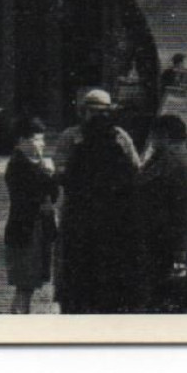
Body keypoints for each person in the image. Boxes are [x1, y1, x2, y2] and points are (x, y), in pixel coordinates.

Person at [56, 88, 143, 314]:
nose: (96, 115)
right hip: (98, 213)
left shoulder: (119, 136)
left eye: (102, 111)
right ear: (83, 111)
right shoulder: (72, 136)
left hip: (86, 213)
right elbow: (135, 170)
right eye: (92, 111)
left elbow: (62, 173)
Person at [137, 113, 187, 313]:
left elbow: (185, 210)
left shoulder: (176, 161)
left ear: (165, 135)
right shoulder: (168, 157)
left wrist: (180, 249)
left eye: (154, 136)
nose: (152, 140)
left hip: (172, 242)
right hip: (165, 240)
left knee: (174, 302)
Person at [4, 116, 58, 314]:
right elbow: (31, 196)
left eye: (42, 139)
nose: (41, 144)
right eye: (37, 139)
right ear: (21, 141)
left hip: (38, 227)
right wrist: (48, 174)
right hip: (26, 229)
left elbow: (52, 196)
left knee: (30, 282)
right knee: (25, 282)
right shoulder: (18, 165)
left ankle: (21, 314)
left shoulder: (36, 163)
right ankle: (19, 316)